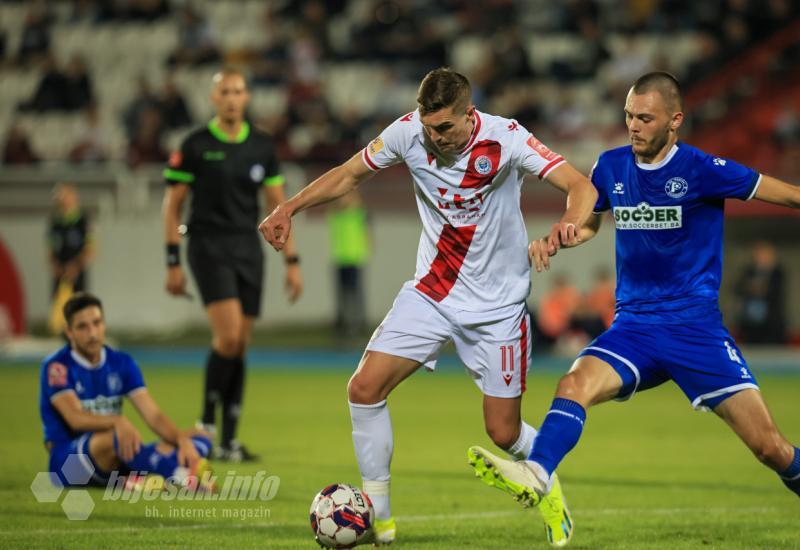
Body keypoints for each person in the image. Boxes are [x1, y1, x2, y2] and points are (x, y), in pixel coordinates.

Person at [259, 67, 597, 547]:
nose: (433, 138)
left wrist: (567, 224)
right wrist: (288, 208)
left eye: (444, 128)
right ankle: (381, 520)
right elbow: (349, 174)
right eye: (427, 127)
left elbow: (580, 187)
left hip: (498, 308)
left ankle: (544, 479)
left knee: (502, 431)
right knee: (364, 388)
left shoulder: (506, 138)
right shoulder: (406, 134)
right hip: (432, 294)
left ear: (468, 114)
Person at [468, 73, 800, 532]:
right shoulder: (610, 166)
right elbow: (590, 225)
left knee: (770, 449)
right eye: (629, 116)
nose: (634, 126)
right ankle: (538, 473)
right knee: (572, 385)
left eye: (645, 118)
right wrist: (564, 237)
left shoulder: (702, 169)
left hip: (695, 329)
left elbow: (780, 192)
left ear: (674, 120)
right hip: (636, 326)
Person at [162, 68, 303, 462]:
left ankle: (229, 441)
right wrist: (172, 260)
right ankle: (206, 426)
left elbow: (278, 209)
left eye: (238, 91)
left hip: (248, 248)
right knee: (227, 338)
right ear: (213, 98)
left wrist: (293, 260)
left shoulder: (261, 145)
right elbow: (172, 205)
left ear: (246, 97)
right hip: (207, 246)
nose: (231, 97)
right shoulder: (194, 144)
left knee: (240, 344)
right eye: (224, 91)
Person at [40, 292, 213, 490]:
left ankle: (137, 480)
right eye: (83, 327)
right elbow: (75, 418)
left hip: (114, 459)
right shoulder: (57, 367)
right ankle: (181, 477)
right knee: (113, 436)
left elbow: (154, 416)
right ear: (69, 332)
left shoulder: (121, 362)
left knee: (199, 437)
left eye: (97, 323)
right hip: (67, 465)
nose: (93, 333)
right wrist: (117, 420)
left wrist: (182, 440)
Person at [327, 189, 369, 341]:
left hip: (355, 259)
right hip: (340, 259)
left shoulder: (359, 213)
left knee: (355, 296)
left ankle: (357, 327)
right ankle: (342, 328)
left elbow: (358, 206)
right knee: (342, 297)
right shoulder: (336, 214)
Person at [734, 240, 787, 344]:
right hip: (750, 325)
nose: (762, 257)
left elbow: (775, 293)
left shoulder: (778, 273)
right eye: (759, 254)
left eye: (765, 254)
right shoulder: (748, 271)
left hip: (772, 325)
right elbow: (737, 289)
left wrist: (758, 289)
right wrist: (752, 289)